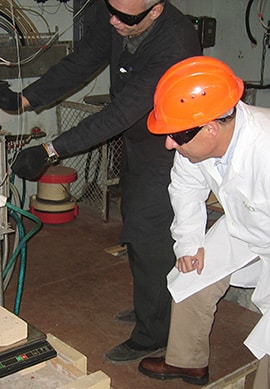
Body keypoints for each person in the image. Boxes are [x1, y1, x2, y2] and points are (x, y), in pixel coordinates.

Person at [0, 0, 201, 363]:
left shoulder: (176, 43)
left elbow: (120, 112)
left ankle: (155, 332)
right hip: (136, 136)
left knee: (150, 230)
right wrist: (24, 98)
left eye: (125, 18)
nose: (113, 19)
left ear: (156, 10)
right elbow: (81, 62)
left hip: (167, 143)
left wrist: (50, 151)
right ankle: (153, 302)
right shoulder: (115, 13)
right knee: (135, 221)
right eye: (111, 9)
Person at [138, 55, 270, 387]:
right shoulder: (196, 145)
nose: (169, 143)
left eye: (176, 136)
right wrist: (189, 243)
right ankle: (187, 362)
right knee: (192, 276)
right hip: (247, 224)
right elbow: (184, 187)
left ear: (211, 128)